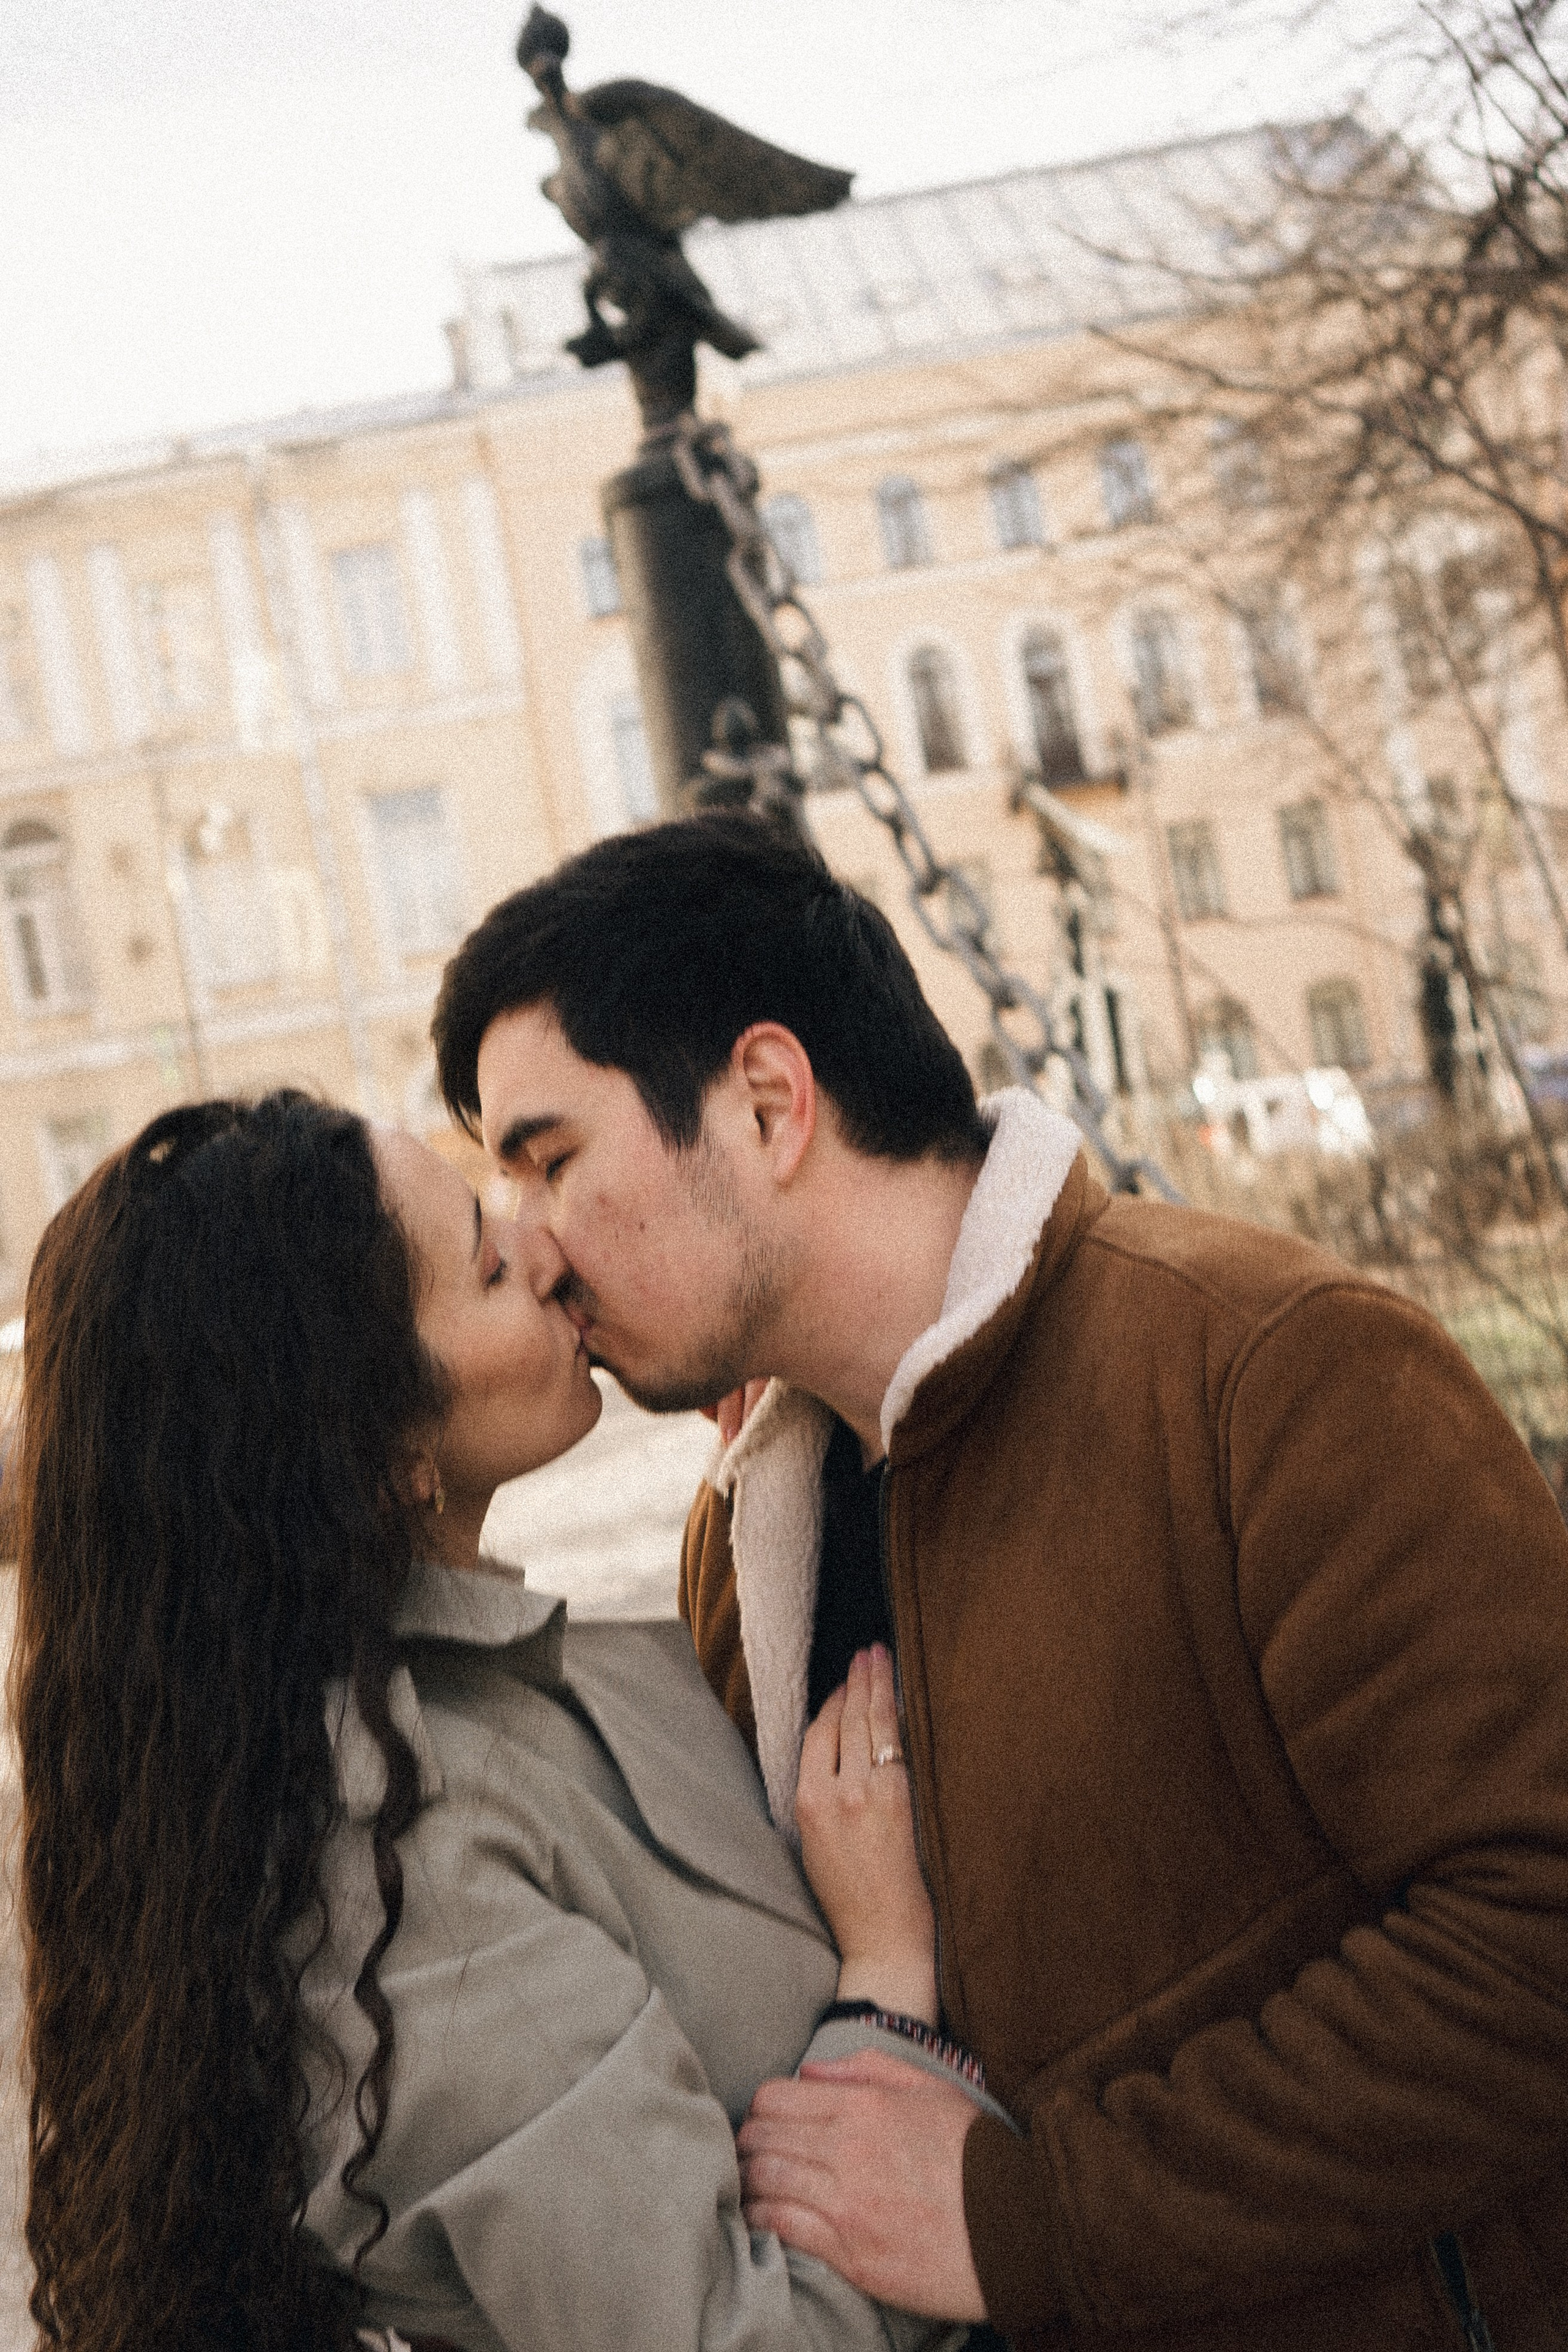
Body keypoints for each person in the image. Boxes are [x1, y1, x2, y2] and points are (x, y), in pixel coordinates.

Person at [432, 809, 1568, 2352]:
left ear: (768, 1101)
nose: (537, 1249)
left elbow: (1533, 1938)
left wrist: (1036, 2220)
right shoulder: (741, 1544)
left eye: (550, 1160)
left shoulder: (1267, 1373)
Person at [9, 1090, 997, 2352]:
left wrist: (769, 1480)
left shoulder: (456, 1698)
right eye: (485, 1264)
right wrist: (886, 1988)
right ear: (380, 1449)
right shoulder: (406, 1875)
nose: (544, 1249)